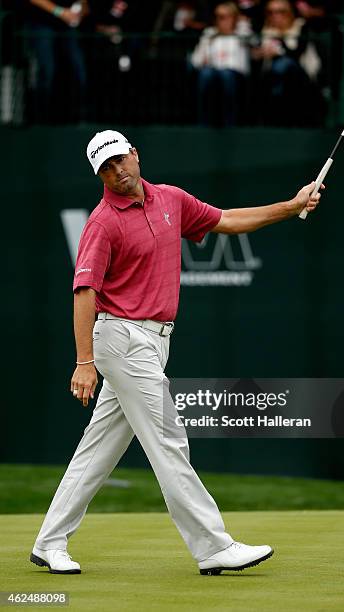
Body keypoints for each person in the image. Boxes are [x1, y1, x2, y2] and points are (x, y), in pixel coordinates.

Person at [30, 129, 322, 575]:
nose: (117, 171)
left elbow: (226, 220)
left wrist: (290, 206)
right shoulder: (102, 222)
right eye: (106, 168)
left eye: (120, 160)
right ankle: (213, 547)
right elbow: (84, 291)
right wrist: (83, 361)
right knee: (168, 439)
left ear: (135, 154)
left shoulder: (171, 199)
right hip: (121, 341)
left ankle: (49, 543)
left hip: (151, 341)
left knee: (98, 450)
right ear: (99, 175)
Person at [254, 0, 323, 125]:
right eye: (270, 12)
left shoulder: (302, 26)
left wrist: (279, 45)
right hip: (269, 83)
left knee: (283, 64)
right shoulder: (264, 31)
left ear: (291, 13)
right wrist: (258, 55)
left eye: (281, 12)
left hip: (301, 82)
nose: (275, 16)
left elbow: (297, 54)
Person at [190, 2, 253, 126]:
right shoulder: (209, 33)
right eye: (217, 16)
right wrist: (203, 59)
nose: (220, 20)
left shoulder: (242, 33)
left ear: (234, 18)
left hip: (236, 77)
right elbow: (195, 61)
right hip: (213, 75)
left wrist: (241, 24)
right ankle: (203, 123)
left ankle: (230, 123)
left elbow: (253, 41)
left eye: (224, 17)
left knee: (226, 75)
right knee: (205, 74)